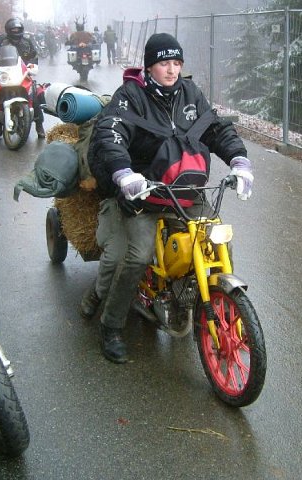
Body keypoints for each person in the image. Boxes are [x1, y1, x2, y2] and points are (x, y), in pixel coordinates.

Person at [84, 33, 254, 363]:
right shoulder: (130, 96)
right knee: (138, 255)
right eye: (164, 63)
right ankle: (112, 325)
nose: (172, 70)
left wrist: (239, 160)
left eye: (177, 63)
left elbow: (215, 127)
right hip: (145, 191)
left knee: (217, 241)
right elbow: (110, 134)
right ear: (149, 66)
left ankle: (208, 305)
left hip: (185, 188)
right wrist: (124, 174)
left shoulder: (189, 93)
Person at [0, 17, 45, 140]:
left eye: (17, 29)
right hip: (5, 74)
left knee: (34, 97)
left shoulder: (27, 42)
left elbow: (34, 55)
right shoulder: (1, 41)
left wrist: (32, 65)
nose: (16, 31)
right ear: (8, 30)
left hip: (23, 74)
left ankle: (39, 125)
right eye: (13, 29)